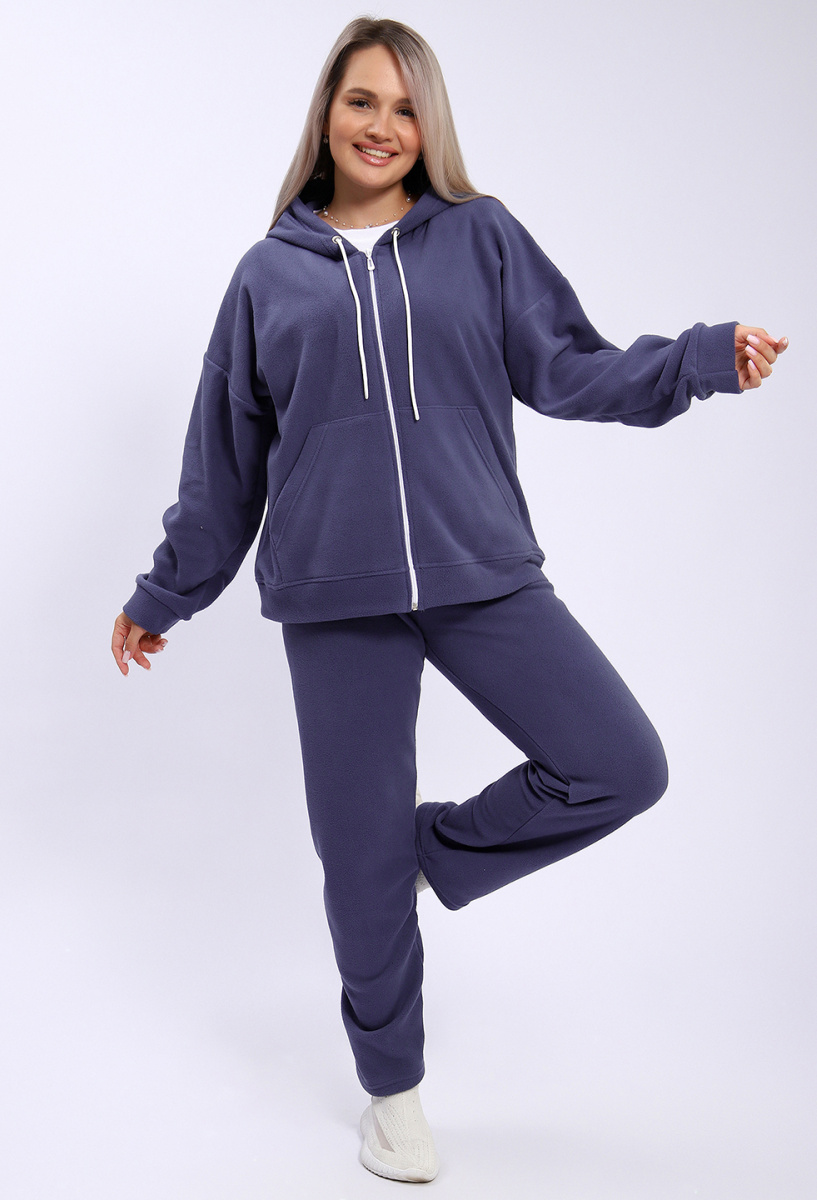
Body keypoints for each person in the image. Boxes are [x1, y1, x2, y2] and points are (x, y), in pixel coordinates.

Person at [111, 16, 787, 1185]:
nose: (381, 126)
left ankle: (429, 850)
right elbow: (223, 460)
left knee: (619, 763)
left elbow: (569, 367)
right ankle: (393, 1096)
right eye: (361, 101)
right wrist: (165, 593)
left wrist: (696, 358)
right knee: (353, 862)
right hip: (333, 592)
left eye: (405, 107)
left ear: (430, 126)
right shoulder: (267, 274)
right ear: (326, 112)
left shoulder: (480, 238)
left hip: (479, 568)